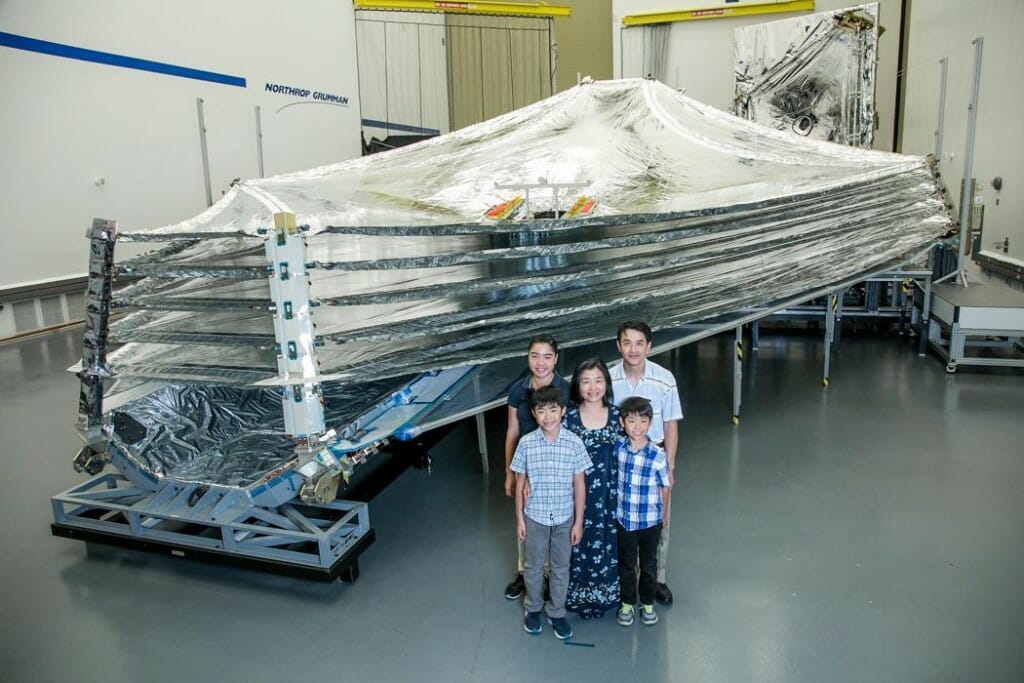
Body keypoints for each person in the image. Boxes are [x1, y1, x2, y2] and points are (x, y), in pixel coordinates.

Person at [610, 320, 683, 606]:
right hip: (622, 459)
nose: (633, 349)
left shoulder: (664, 379)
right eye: (627, 342)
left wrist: (671, 466)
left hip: (654, 459)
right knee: (622, 520)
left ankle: (657, 580)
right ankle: (624, 579)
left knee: (658, 521)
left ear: (649, 346)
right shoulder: (609, 378)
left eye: (639, 343)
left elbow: (671, 426)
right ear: (618, 346)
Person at [510, 385, 592, 639]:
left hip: (565, 517)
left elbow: (579, 484)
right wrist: (520, 519)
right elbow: (520, 483)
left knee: (560, 567)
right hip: (535, 516)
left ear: (563, 411)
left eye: (553, 410)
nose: (548, 417)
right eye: (542, 411)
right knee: (533, 566)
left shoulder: (574, 443)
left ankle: (557, 612)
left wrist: (578, 521)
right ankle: (533, 608)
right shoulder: (526, 443)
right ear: (534, 414)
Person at [503, 334, 571, 600]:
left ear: (555, 359)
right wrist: (510, 472)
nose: (540, 363)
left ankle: (548, 576)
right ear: (527, 357)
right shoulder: (518, 390)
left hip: (553, 468)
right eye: (534, 356)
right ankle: (525, 573)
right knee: (525, 523)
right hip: (524, 465)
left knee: (553, 523)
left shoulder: (564, 390)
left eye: (547, 356)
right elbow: (512, 431)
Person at [563, 358, 624, 619]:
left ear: (606, 384)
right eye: (586, 381)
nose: (592, 387)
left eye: (598, 380)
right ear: (577, 386)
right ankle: (577, 594)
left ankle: (607, 593)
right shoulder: (568, 417)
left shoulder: (619, 416)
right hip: (575, 494)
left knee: (608, 543)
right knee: (576, 541)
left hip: (611, 495)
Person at [614, 396, 670, 627]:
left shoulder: (658, 455)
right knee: (626, 564)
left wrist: (663, 517)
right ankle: (627, 602)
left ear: (650, 423)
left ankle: (647, 603)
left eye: (643, 421)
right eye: (631, 421)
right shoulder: (618, 449)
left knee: (648, 564)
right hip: (624, 519)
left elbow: (664, 488)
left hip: (649, 521)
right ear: (622, 422)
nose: (637, 427)